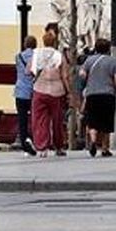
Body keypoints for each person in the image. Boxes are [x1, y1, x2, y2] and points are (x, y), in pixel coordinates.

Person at [30, 25, 72, 156]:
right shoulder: (59, 56)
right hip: (56, 91)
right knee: (57, 121)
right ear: (54, 42)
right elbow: (64, 76)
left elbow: (29, 71)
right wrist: (69, 91)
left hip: (39, 90)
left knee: (40, 120)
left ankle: (42, 148)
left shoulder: (36, 54)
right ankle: (58, 147)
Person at [79, 38, 116, 157]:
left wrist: (87, 82)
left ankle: (93, 141)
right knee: (106, 122)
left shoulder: (89, 60)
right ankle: (105, 148)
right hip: (108, 94)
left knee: (93, 120)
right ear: (108, 49)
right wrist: (115, 89)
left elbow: (82, 74)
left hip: (92, 94)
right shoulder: (113, 61)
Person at [14, 35, 37, 155]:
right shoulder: (37, 57)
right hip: (33, 91)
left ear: (25, 44)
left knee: (22, 118)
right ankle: (35, 140)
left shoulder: (18, 57)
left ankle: (24, 142)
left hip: (20, 90)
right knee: (35, 118)